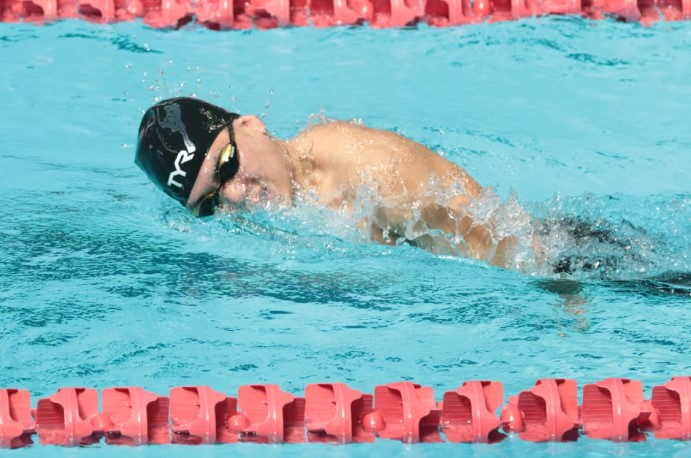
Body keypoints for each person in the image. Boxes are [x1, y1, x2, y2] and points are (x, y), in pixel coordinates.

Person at [135, 96, 649, 276]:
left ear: (251, 125)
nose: (234, 195)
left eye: (226, 166)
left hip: (583, 263)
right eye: (209, 205)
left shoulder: (369, 171)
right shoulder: (295, 201)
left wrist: (566, 301)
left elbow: (516, 255)